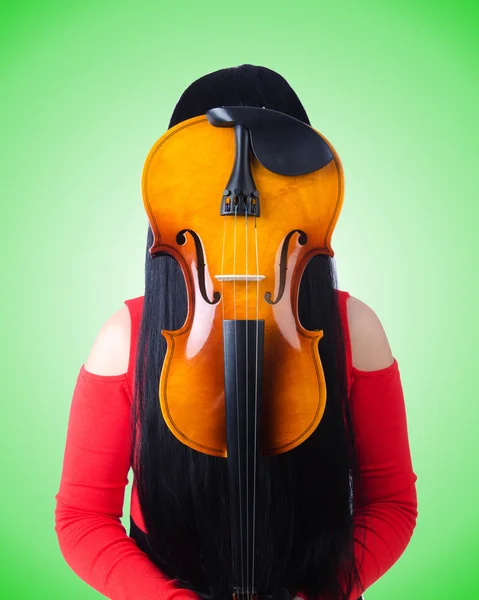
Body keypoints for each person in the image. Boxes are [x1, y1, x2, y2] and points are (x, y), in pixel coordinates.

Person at [54, 64, 418, 600]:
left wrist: (322, 593)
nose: (244, 222)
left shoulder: (353, 328)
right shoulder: (124, 336)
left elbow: (391, 505)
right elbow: (82, 517)